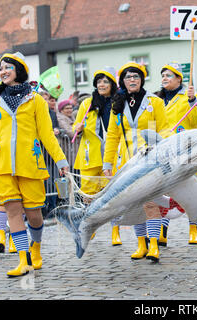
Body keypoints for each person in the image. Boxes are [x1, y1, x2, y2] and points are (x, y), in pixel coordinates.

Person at [0, 52, 69, 277]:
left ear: (19, 70)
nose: (3, 71)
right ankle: (23, 260)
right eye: (1, 67)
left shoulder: (35, 100)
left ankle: (36, 248)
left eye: (8, 67)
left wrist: (60, 160)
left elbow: (47, 135)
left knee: (34, 214)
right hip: (2, 165)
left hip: (30, 164)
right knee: (13, 210)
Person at [102, 62, 169, 262]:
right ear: (122, 81)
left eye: (136, 77)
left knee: (150, 202)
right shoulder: (117, 104)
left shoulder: (154, 102)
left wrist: (158, 143)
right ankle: (141, 244)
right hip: (126, 161)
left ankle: (154, 245)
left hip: (149, 158)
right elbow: (112, 136)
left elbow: (164, 128)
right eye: (128, 77)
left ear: (142, 79)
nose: (132, 80)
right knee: (133, 205)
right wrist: (107, 163)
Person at [72, 68, 122, 245]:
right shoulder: (87, 104)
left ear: (112, 84)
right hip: (90, 154)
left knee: (114, 193)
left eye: (105, 81)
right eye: (99, 82)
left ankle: (115, 230)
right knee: (89, 195)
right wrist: (77, 128)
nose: (101, 84)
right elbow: (76, 126)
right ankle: (90, 226)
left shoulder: (118, 101)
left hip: (111, 153)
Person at [155, 62, 197, 246]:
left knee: (192, 192)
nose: (164, 79)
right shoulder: (157, 100)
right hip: (166, 152)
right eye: (163, 76)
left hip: (188, 151)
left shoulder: (189, 97)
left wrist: (193, 102)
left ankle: (193, 228)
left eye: (169, 75)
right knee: (166, 191)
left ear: (179, 79)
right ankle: (162, 231)